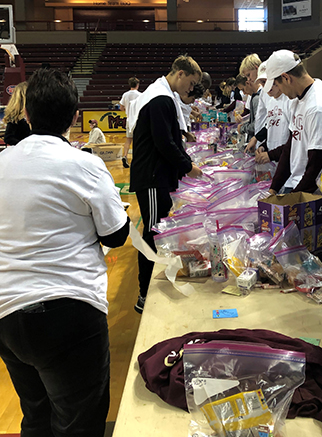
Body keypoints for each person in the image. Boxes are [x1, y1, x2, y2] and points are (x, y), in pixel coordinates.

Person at [0, 68, 130, 437]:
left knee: (36, 416)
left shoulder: (2, 163)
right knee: (78, 421)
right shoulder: (85, 164)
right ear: (75, 115)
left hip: (7, 313)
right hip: (68, 310)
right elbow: (117, 234)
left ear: (26, 114)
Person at [129, 55, 203, 314]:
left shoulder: (162, 94)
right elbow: (163, 143)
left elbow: (170, 139)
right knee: (152, 234)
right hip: (151, 177)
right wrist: (187, 167)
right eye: (191, 83)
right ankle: (143, 294)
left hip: (156, 176)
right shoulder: (160, 98)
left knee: (158, 232)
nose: (190, 90)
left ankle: (151, 287)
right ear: (180, 73)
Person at [265, 49, 322, 275]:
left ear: (287, 78)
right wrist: (275, 186)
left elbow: (317, 167)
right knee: (304, 260)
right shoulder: (298, 100)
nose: (278, 92)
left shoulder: (318, 107)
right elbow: (292, 145)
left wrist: (291, 202)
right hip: (303, 189)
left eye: (278, 86)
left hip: (318, 195)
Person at [120, 76, 141, 168]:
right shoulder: (140, 95)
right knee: (138, 141)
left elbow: (121, 107)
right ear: (137, 85)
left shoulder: (125, 94)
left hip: (129, 120)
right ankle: (136, 159)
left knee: (128, 140)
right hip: (137, 120)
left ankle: (124, 156)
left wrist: (127, 108)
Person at [3, 81, 30, 146]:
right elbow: (8, 137)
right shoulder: (15, 116)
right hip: (22, 150)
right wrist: (23, 145)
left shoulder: (35, 112)